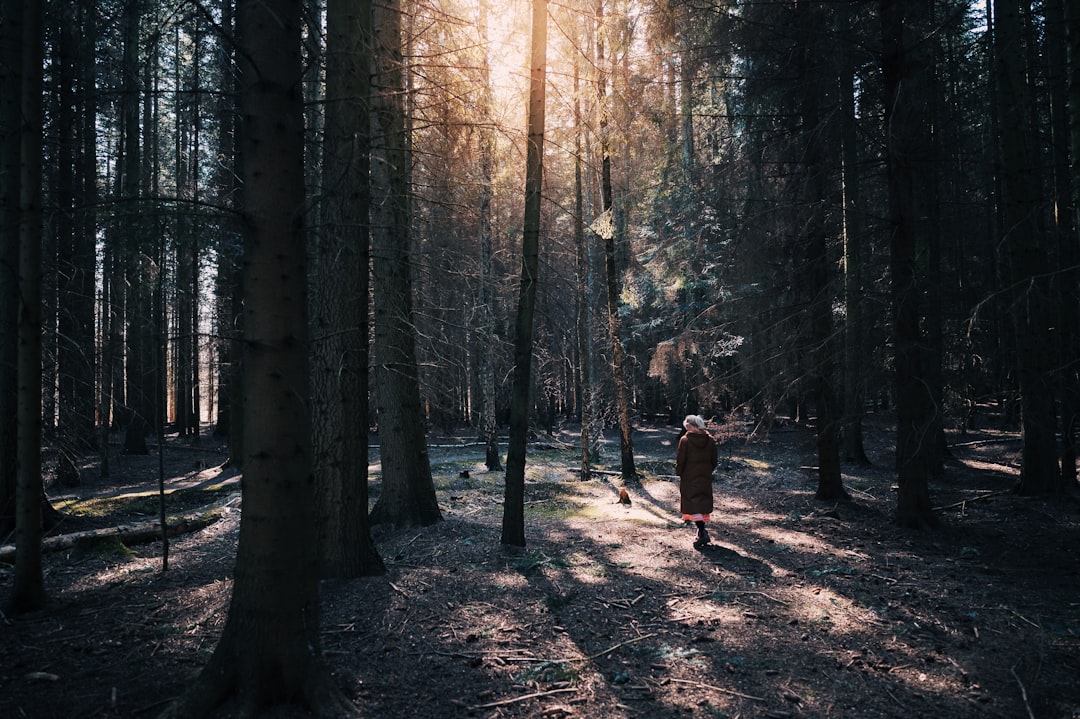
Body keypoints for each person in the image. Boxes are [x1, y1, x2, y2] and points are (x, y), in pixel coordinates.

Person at [676, 414, 718, 548]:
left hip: (689, 476)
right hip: (704, 476)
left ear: (692, 426)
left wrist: (679, 472)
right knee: (701, 502)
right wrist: (707, 471)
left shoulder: (685, 440)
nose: (686, 429)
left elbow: (680, 460)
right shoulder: (710, 440)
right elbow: (714, 460)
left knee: (693, 503)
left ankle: (702, 532)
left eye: (687, 426)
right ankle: (701, 532)